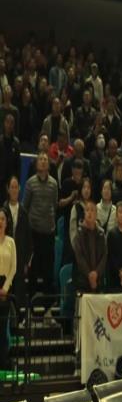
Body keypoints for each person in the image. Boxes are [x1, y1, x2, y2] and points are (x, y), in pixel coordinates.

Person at [23, 152, 58, 295]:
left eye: (45, 159)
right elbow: (25, 207)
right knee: (34, 268)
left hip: (49, 232)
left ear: (48, 164)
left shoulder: (54, 183)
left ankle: (47, 300)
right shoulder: (30, 183)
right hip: (34, 233)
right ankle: (31, 299)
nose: (43, 161)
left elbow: (54, 205)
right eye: (40, 159)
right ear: (37, 164)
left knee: (48, 268)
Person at [3, 176, 32, 307]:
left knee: (19, 295)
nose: (14, 190)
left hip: (20, 260)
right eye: (12, 187)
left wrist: (26, 262)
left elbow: (29, 240)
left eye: (16, 187)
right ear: (7, 189)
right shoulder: (3, 212)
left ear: (19, 189)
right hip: (5, 260)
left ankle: (18, 317)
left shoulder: (24, 213)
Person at [72, 200, 107, 293]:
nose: (90, 213)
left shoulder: (101, 233)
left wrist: (96, 273)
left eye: (92, 210)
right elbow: (79, 257)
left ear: (96, 214)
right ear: (84, 214)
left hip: (98, 280)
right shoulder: (79, 233)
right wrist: (89, 274)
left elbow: (104, 255)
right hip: (82, 281)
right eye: (87, 210)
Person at [0, 207, 16, 369]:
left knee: (3, 326)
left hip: (5, 286)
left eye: (2, 219)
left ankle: (4, 360)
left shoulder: (11, 242)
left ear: (6, 222)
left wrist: (5, 287)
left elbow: (14, 267)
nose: (0, 222)